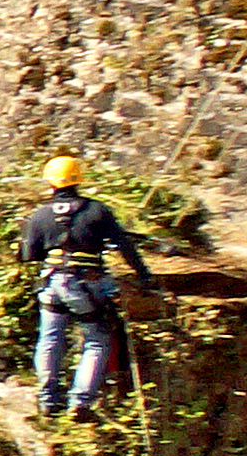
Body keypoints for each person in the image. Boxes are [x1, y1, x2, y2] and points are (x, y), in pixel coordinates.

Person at [15, 154, 156, 413]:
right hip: (87, 285)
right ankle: (80, 401)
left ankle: (48, 398)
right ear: (78, 179)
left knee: (50, 338)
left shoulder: (39, 216)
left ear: (50, 183)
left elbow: (28, 255)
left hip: (52, 284)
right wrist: (144, 276)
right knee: (97, 339)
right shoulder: (97, 211)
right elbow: (125, 245)